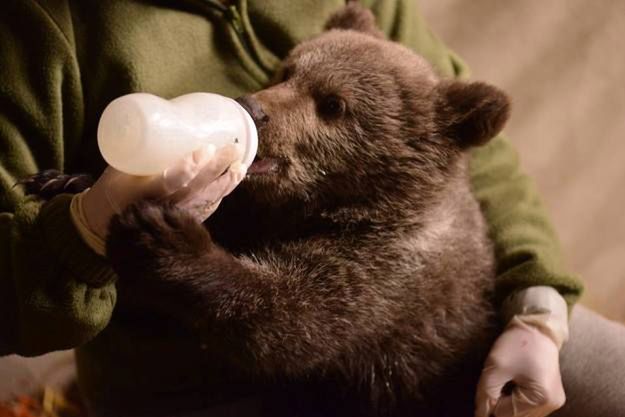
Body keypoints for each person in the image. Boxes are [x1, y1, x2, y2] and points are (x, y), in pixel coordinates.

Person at [0, 1, 622, 416]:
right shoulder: (42, 27)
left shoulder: (401, 234)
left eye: (331, 109)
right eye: (288, 76)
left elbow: (282, 319)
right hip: (196, 386)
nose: (261, 102)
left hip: (436, 366)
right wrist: (82, 223)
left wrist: (539, 313)